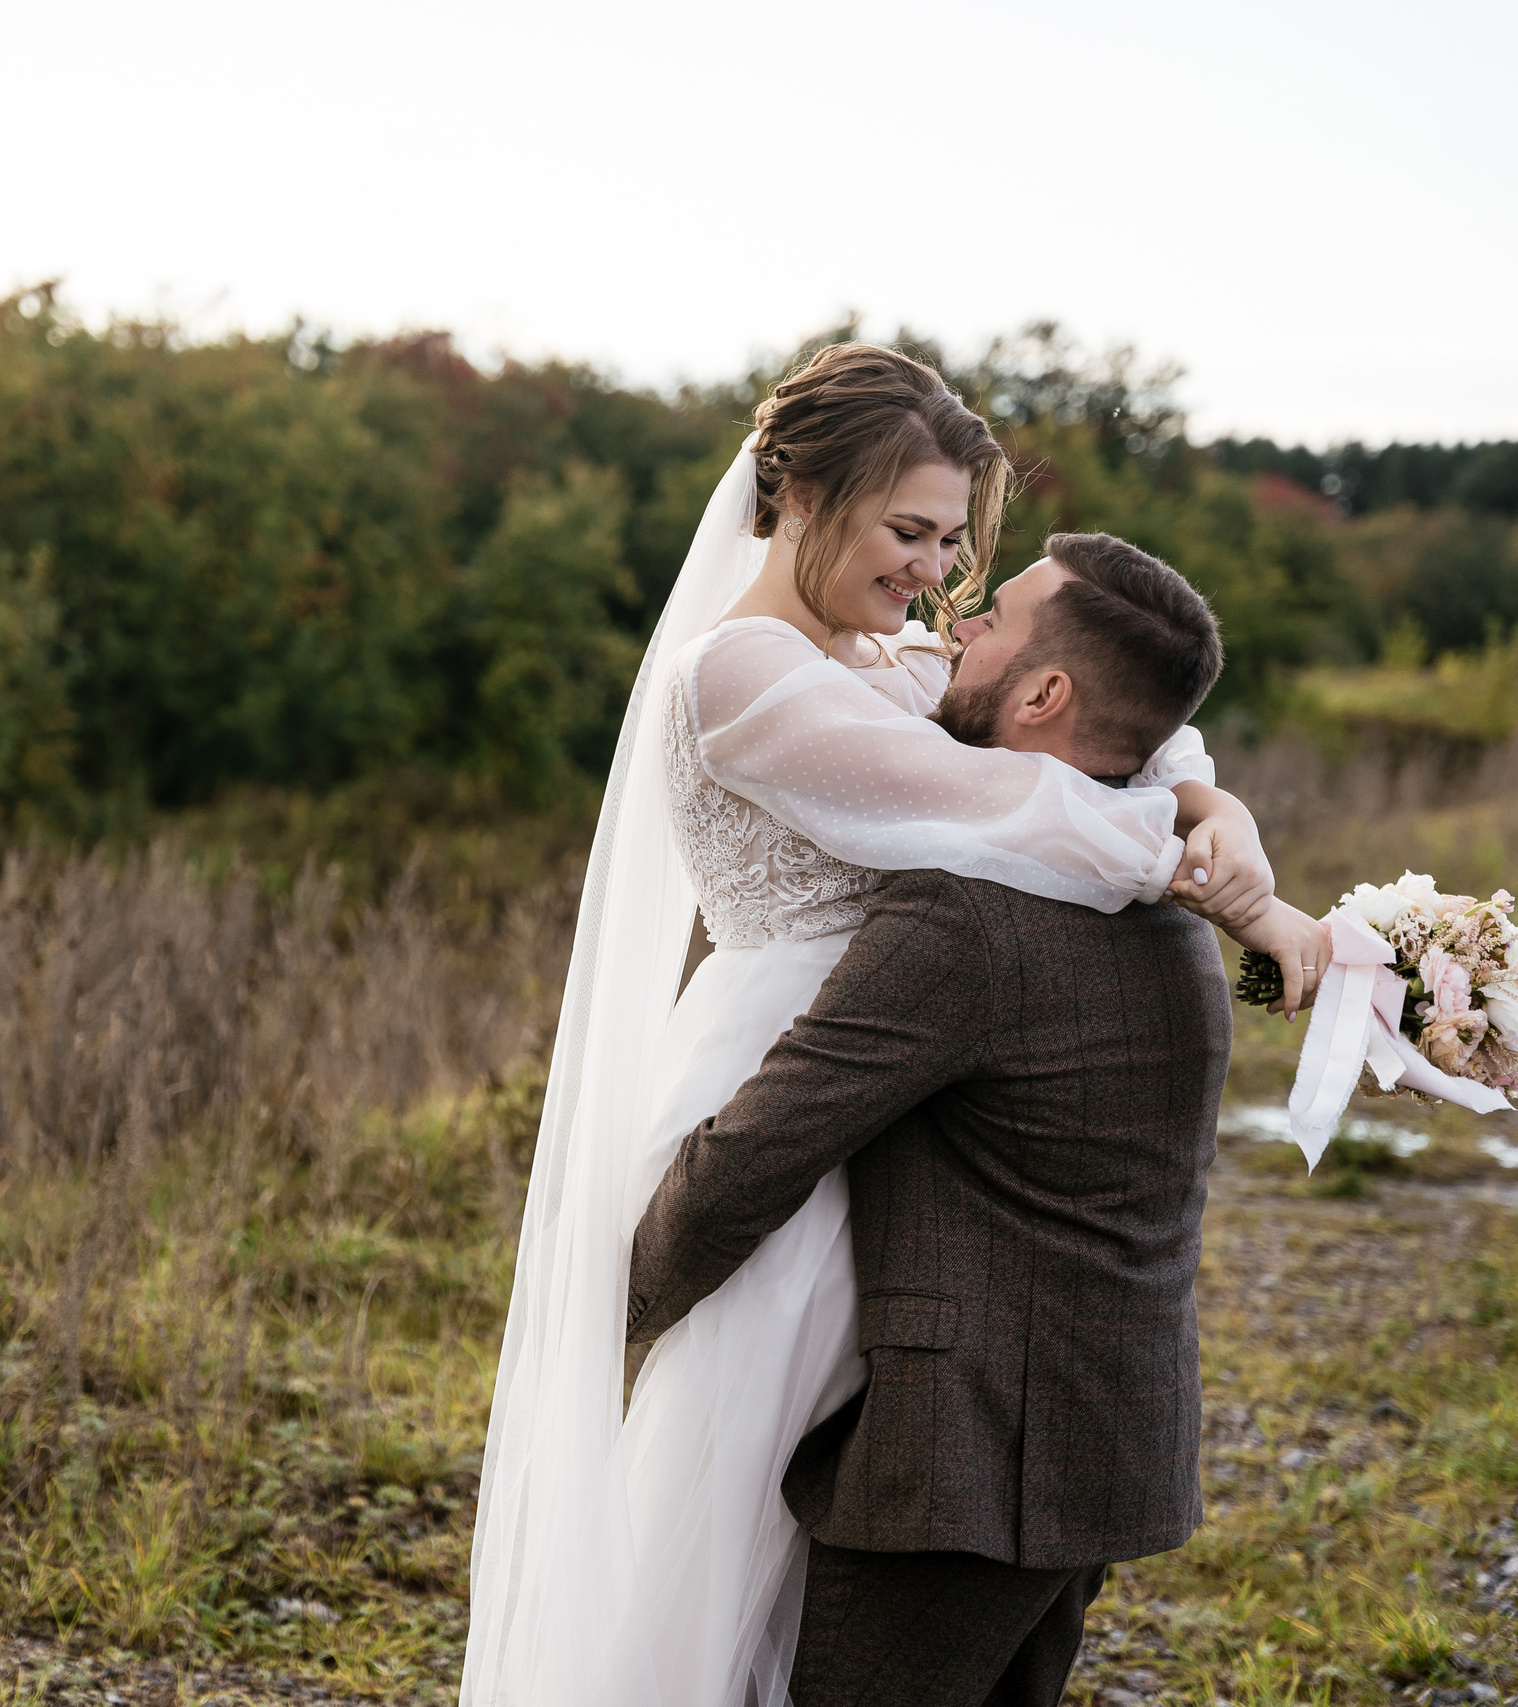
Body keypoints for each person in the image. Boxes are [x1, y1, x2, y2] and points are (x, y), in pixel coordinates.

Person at [461, 344, 1326, 1707]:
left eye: (950, 540)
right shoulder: (742, 674)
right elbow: (1004, 801)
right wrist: (1231, 890)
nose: (936, 573)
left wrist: (1225, 813)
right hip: (789, 1057)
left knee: (848, 1450)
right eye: (909, 532)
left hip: (906, 1077)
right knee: (736, 1482)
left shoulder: (886, 658)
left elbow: (1119, 730)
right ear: (803, 496)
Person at [625, 530, 1291, 1707]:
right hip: (1107, 1448)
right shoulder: (1171, 904)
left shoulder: (966, 921)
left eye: (994, 621)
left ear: (1042, 696)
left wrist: (600, 1324)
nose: (956, 624)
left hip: (968, 1469)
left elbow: (752, 1159)